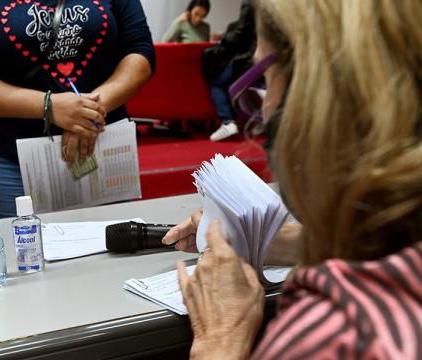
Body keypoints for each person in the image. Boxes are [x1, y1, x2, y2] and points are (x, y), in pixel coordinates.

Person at [163, 0, 422, 358]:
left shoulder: (332, 335)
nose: (264, 111)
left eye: (264, 82)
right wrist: (281, 241)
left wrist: (220, 340)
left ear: (317, 99)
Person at [0, 0, 155, 217]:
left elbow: (140, 49)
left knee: (115, 244)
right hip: (13, 159)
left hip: (102, 145)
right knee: (23, 246)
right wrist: (49, 107)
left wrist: (88, 111)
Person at [202, 0, 256, 142]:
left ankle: (227, 122)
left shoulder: (251, 3)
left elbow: (241, 32)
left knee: (217, 84)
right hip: (260, 60)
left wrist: (223, 37)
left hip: (244, 60)